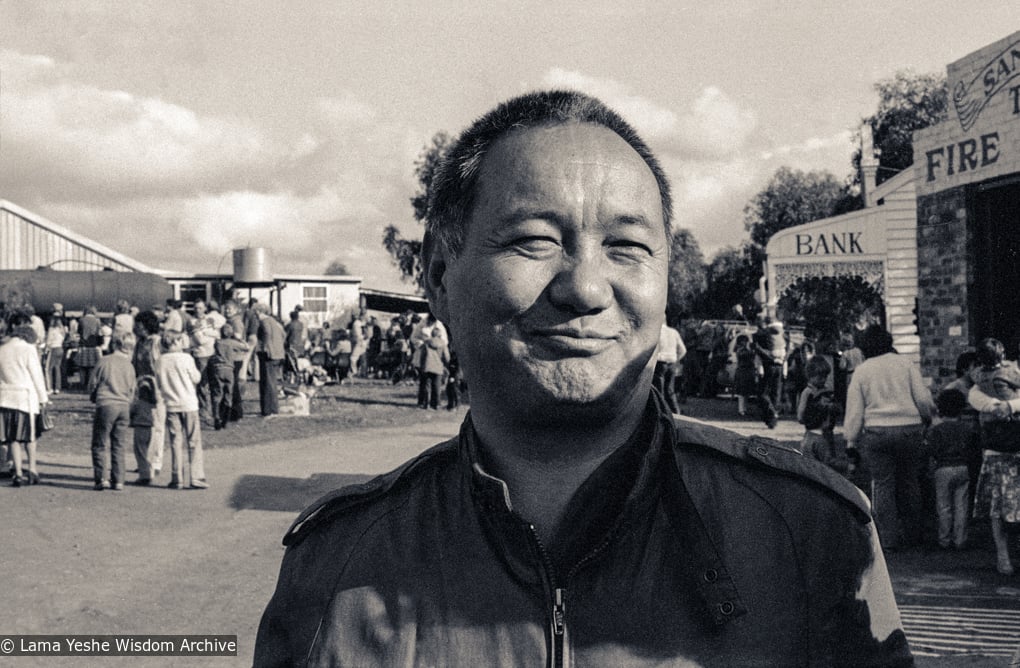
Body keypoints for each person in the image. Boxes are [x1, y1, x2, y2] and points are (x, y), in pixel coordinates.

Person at [255, 91, 911, 666]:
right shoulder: (336, 563)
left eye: (626, 247)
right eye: (533, 241)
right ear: (437, 275)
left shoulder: (808, 534)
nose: (586, 288)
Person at [845, 324, 935, 551]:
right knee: (909, 482)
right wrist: (927, 420)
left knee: (883, 485)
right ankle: (914, 534)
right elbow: (922, 399)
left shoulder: (862, 371)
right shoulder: (905, 364)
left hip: (877, 432)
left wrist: (851, 439)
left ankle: (888, 538)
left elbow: (855, 410)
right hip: (909, 429)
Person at [966, 339, 1020, 574]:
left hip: (995, 449)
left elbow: (974, 399)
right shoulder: (1013, 372)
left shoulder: (977, 379)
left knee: (997, 508)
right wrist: (1011, 406)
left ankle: (1003, 556)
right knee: (1005, 507)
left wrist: (997, 406)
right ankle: (1005, 555)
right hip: (1013, 447)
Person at [0, 316, 48, 487]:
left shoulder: (2, 348)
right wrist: (43, 398)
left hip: (6, 397)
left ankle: (18, 473)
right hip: (26, 398)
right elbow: (37, 375)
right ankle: (32, 469)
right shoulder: (28, 349)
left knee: (13, 437)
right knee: (30, 437)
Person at [926, 389, 976, 550]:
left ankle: (944, 539)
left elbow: (931, 450)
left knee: (944, 506)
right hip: (963, 467)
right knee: (961, 505)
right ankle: (960, 539)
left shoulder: (937, 430)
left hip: (943, 468)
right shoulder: (967, 429)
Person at [156, 330, 207, 489]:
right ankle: (196, 476)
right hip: (189, 404)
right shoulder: (186, 358)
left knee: (175, 442)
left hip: (171, 405)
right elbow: (196, 378)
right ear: (175, 343)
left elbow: (159, 382)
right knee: (193, 441)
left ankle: (177, 477)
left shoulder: (160, 361)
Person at [88, 332, 136, 491]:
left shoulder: (104, 361)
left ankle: (102, 478)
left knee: (100, 443)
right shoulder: (129, 365)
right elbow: (132, 389)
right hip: (123, 406)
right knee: (119, 444)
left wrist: (93, 396)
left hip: (106, 404)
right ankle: (119, 480)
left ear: (114, 344)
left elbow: (92, 384)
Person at [131, 311, 165, 481]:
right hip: (141, 389)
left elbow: (160, 366)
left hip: (156, 389)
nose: (136, 327)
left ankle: (156, 462)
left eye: (139, 324)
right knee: (143, 427)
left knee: (157, 427)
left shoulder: (156, 343)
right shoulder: (139, 343)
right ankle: (144, 462)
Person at [208, 323, 249, 430]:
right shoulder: (233, 343)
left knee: (217, 394)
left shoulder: (218, 343)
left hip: (218, 369)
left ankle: (217, 418)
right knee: (228, 394)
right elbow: (246, 348)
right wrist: (239, 339)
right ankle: (225, 420)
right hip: (229, 369)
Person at [800, 393, 850, 475]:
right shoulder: (820, 441)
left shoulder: (808, 435)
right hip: (820, 475)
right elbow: (829, 462)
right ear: (823, 420)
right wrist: (846, 465)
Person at [753, 315, 787, 428]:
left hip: (768, 366)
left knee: (763, 393)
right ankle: (773, 418)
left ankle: (771, 413)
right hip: (780, 365)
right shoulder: (782, 334)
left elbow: (759, 352)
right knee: (776, 392)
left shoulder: (761, 335)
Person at [256, 304, 286, 417]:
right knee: (272, 382)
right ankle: (273, 408)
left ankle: (268, 409)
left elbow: (267, 333)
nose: (255, 315)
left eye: (256, 312)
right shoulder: (275, 322)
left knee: (267, 382)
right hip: (278, 354)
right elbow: (283, 334)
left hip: (269, 355)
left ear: (259, 311)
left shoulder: (264, 322)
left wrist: (265, 347)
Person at [653, 319, 686, 414]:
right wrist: (676, 359)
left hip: (660, 362)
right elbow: (683, 350)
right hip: (672, 363)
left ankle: (661, 413)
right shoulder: (674, 332)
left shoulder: (657, 332)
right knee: (670, 390)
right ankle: (676, 412)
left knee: (659, 390)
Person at [415, 329, 449, 410]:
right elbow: (447, 357)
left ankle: (425, 403)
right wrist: (445, 363)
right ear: (439, 335)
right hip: (438, 366)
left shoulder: (426, 342)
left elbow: (422, 354)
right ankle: (436, 404)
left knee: (426, 386)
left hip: (427, 366)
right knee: (437, 386)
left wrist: (421, 365)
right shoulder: (443, 344)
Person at [731, 333, 758, 417]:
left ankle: (744, 409)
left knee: (746, 392)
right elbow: (744, 355)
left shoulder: (748, 349)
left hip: (748, 371)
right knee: (742, 392)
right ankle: (741, 409)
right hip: (743, 371)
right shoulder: (740, 350)